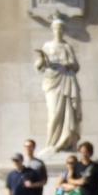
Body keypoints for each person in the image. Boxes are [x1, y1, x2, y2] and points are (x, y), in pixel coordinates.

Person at [34, 14, 81, 153]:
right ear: (52, 30)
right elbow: (39, 65)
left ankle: (64, 143)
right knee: (53, 113)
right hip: (52, 81)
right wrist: (43, 60)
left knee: (67, 113)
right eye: (56, 28)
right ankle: (51, 143)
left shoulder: (67, 46)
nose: (58, 31)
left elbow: (76, 66)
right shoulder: (47, 46)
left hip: (66, 80)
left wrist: (68, 63)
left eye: (61, 28)